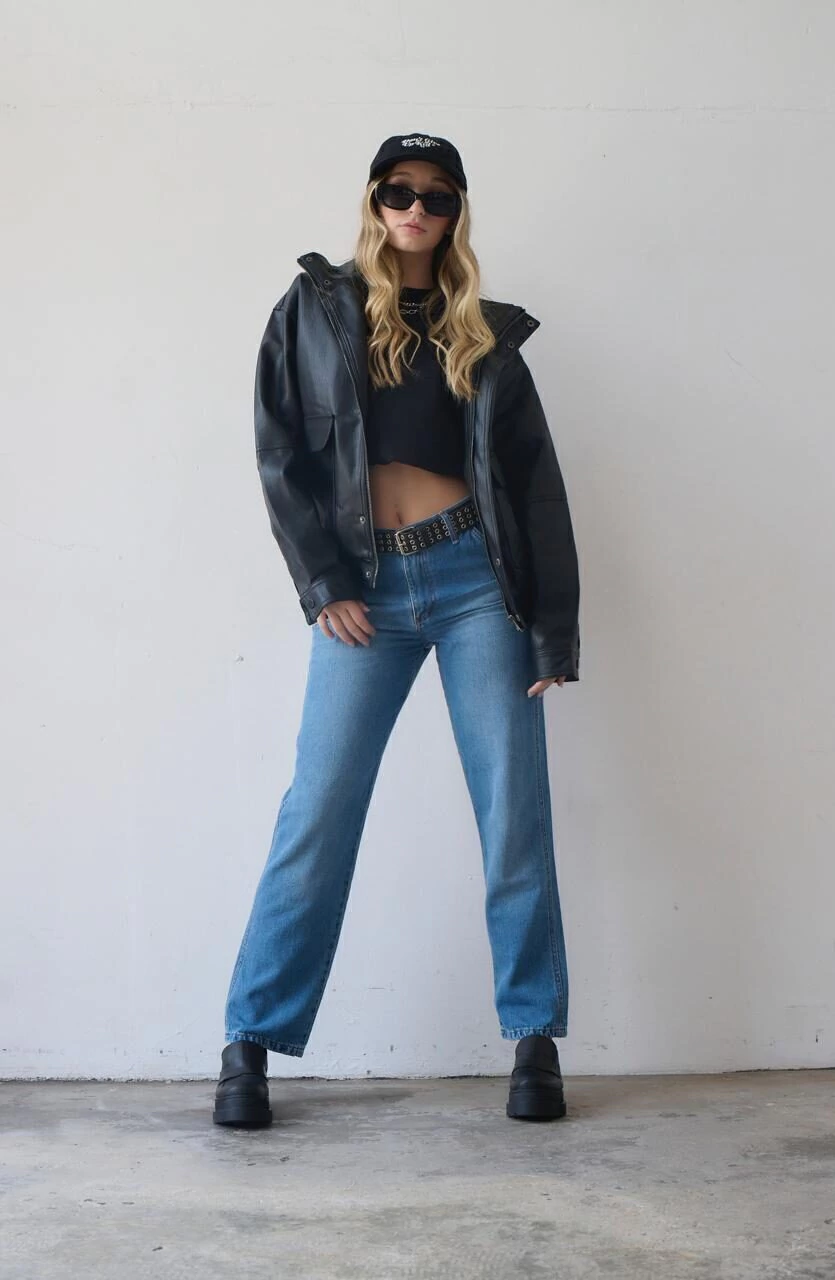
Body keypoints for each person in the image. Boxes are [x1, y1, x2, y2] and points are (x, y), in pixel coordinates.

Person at [213, 132, 581, 1128]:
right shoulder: (315, 308)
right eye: (398, 190)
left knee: (512, 811)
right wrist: (322, 579)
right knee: (318, 810)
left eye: (436, 196)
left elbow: (535, 488)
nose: (415, 209)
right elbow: (279, 452)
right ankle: (248, 1039)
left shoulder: (484, 333)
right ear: (374, 199)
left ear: (456, 213)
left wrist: (551, 629)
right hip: (363, 594)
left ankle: (534, 1039)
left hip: (475, 585)